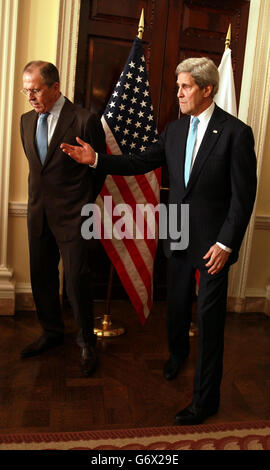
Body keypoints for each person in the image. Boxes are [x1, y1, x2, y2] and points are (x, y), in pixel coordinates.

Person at [61, 57, 257, 424]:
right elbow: (140, 163)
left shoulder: (236, 133)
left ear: (207, 89)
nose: (178, 93)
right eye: (178, 87)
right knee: (177, 307)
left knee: (209, 320)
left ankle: (205, 401)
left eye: (185, 87)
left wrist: (227, 245)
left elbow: (243, 198)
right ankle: (176, 356)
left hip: (215, 245)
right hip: (178, 232)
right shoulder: (174, 130)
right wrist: (95, 160)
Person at [20, 61, 106, 377]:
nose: (29, 96)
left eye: (36, 89)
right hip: (38, 214)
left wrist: (82, 202)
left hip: (75, 215)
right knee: (42, 276)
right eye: (26, 89)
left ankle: (86, 342)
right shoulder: (25, 121)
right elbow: (39, 171)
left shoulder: (85, 120)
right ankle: (52, 332)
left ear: (55, 87)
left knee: (76, 279)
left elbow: (99, 169)